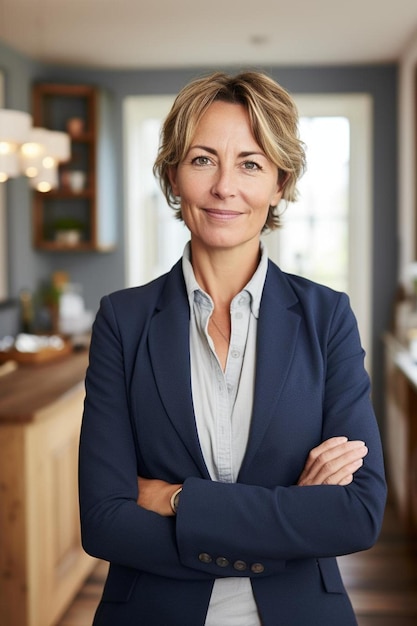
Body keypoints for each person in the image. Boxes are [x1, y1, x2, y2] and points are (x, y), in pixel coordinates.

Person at [79, 70, 386, 626]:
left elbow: (356, 513)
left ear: (280, 182)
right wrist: (291, 518)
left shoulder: (327, 317)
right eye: (201, 160)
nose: (225, 186)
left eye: (250, 163)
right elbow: (104, 520)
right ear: (172, 176)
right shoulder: (122, 321)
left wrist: (177, 501)